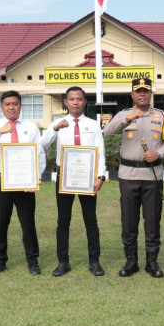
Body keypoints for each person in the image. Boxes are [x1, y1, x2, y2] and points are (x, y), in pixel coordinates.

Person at [103, 78, 164, 277]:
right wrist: (128, 119)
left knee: (152, 221)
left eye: (146, 91)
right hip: (128, 176)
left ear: (151, 93)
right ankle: (131, 261)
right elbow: (107, 132)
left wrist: (158, 154)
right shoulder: (123, 114)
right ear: (132, 94)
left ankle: (152, 262)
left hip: (152, 176)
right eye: (138, 91)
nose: (142, 94)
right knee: (129, 221)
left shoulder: (161, 116)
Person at [0, 90, 46, 276]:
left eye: (15, 104)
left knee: (28, 223)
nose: (11, 107)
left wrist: (37, 177)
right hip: (2, 180)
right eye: (7, 104)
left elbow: (39, 153)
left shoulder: (31, 127)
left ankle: (33, 261)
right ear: (1, 107)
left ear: (20, 106)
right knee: (0, 223)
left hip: (26, 181)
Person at [41, 86, 106, 277]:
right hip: (66, 175)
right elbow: (43, 143)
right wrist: (55, 128)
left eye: (79, 99)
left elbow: (100, 151)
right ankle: (63, 262)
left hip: (88, 174)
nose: (76, 102)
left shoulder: (93, 125)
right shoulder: (58, 123)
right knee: (63, 220)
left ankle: (94, 262)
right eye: (72, 99)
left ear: (85, 101)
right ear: (66, 102)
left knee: (90, 220)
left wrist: (100, 176)